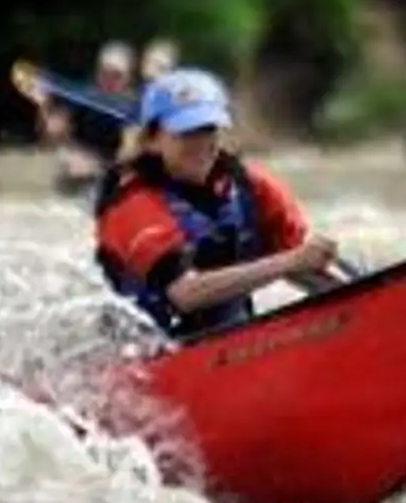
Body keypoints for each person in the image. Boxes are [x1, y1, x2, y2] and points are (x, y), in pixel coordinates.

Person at [91, 67, 342, 339]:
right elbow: (185, 294)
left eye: (207, 129)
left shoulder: (255, 188)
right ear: (152, 141)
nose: (200, 143)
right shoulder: (133, 206)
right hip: (149, 353)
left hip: (232, 344)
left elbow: (302, 268)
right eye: (185, 133)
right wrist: (288, 262)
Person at [40, 41, 137, 196]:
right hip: (77, 161)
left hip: (110, 172)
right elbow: (53, 134)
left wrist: (96, 166)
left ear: (128, 76)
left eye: (117, 75)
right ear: (98, 71)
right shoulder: (83, 95)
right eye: (105, 72)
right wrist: (44, 106)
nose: (109, 79)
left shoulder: (133, 106)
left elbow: (129, 152)